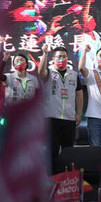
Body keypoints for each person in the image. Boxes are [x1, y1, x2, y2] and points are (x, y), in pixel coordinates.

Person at [38, 45, 83, 173]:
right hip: (51, 118)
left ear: (67, 58)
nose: (61, 59)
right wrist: (44, 54)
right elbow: (41, 73)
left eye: (64, 56)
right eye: (59, 57)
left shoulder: (73, 74)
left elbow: (79, 95)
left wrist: (79, 114)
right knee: (51, 150)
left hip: (69, 119)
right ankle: (52, 179)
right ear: (53, 59)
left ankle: (67, 180)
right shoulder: (49, 71)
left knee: (68, 151)